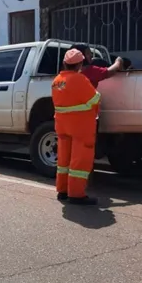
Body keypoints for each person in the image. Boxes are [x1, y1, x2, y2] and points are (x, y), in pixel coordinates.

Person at [52, 49, 101, 205]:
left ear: (65, 63)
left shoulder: (57, 80)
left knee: (64, 160)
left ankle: (63, 191)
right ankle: (76, 194)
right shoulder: (79, 79)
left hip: (62, 125)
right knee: (80, 161)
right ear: (80, 64)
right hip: (80, 127)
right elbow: (95, 99)